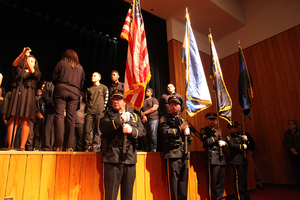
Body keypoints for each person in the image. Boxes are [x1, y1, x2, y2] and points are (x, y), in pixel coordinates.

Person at [100, 90, 146, 200]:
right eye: (114, 99)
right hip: (113, 158)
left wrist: (132, 130)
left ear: (125, 101)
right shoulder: (107, 114)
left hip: (130, 159)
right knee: (110, 196)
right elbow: (103, 127)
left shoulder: (134, 116)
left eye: (118, 99)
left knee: (127, 196)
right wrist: (120, 119)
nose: (115, 101)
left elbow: (143, 131)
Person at [159, 96, 193, 200]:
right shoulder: (164, 118)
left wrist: (188, 134)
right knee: (173, 184)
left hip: (184, 153)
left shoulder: (183, 120)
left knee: (183, 183)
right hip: (172, 153)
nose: (173, 107)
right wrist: (179, 128)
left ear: (180, 107)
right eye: (172, 105)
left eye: (176, 105)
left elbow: (191, 137)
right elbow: (166, 133)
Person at [6, 48, 41, 150]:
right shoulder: (18, 70)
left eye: (32, 61)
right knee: (14, 120)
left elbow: (32, 71)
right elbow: (14, 64)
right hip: (17, 93)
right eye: (28, 60)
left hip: (28, 97)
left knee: (25, 121)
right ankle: (10, 146)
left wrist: (27, 58)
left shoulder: (35, 73)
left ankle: (22, 147)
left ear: (35, 64)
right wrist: (22, 54)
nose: (29, 61)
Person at [52, 49, 85, 151]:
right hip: (74, 92)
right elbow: (82, 82)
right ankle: (68, 147)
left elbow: (54, 78)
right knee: (71, 119)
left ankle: (58, 145)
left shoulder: (61, 63)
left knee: (59, 116)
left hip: (61, 89)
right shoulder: (80, 68)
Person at [200, 112, 227, 200]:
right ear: (207, 120)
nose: (212, 121)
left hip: (221, 157)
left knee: (220, 181)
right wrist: (216, 136)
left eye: (214, 119)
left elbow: (224, 143)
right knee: (213, 181)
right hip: (212, 157)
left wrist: (224, 143)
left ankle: (219, 198)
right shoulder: (204, 130)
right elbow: (206, 142)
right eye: (210, 119)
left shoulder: (216, 131)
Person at [226, 121, 253, 200]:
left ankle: (246, 196)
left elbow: (250, 146)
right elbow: (232, 145)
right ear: (230, 129)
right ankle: (240, 197)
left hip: (243, 159)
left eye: (235, 127)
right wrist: (242, 146)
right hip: (236, 160)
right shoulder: (229, 137)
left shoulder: (241, 137)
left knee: (244, 180)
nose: (234, 129)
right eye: (232, 128)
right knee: (239, 180)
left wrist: (247, 140)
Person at [84, 72, 109, 152]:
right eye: (92, 75)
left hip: (99, 111)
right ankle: (87, 145)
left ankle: (95, 145)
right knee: (87, 129)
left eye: (94, 76)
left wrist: (103, 109)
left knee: (97, 130)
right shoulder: (89, 88)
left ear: (99, 78)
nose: (92, 77)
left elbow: (106, 98)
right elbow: (87, 99)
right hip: (90, 111)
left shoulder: (103, 87)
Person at [237, 123, 265, 190]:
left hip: (248, 153)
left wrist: (251, 150)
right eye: (239, 128)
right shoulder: (236, 136)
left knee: (253, 168)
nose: (240, 129)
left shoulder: (246, 134)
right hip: (239, 155)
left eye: (241, 128)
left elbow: (252, 143)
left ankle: (258, 183)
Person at [140, 88, 159, 152]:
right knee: (145, 135)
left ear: (151, 93)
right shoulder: (143, 101)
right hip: (144, 120)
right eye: (146, 91)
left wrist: (144, 113)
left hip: (153, 119)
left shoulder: (154, 99)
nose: (146, 92)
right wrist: (143, 116)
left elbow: (154, 108)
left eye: (148, 91)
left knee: (153, 134)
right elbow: (139, 110)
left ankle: (153, 149)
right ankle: (146, 148)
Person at [283, 120, 300, 191]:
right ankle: (299, 185)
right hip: (291, 154)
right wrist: (291, 149)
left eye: (292, 124)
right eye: (289, 124)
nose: (290, 125)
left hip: (299, 152)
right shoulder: (287, 133)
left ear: (295, 125)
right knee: (296, 170)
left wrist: (295, 149)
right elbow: (285, 142)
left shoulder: (299, 132)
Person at [42, 81, 55, 151]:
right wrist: (53, 103)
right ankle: (46, 146)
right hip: (50, 108)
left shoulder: (64, 83)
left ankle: (56, 146)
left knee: (58, 129)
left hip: (60, 109)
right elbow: (44, 95)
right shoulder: (48, 84)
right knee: (47, 127)